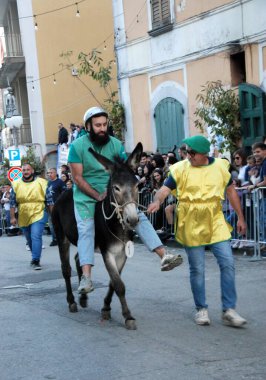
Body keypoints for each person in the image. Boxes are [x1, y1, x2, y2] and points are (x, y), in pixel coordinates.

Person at [68, 106, 183, 294]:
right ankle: (86, 278)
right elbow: (78, 178)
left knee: (137, 215)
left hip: (115, 189)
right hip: (87, 196)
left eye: (105, 124)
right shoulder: (76, 146)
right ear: (88, 126)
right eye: (98, 125)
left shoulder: (115, 144)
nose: (102, 128)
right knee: (86, 230)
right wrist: (97, 195)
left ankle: (164, 255)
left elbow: (124, 169)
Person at [147, 135, 247, 327]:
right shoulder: (180, 169)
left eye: (192, 153)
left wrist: (241, 217)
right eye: (187, 151)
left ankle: (229, 310)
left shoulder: (220, 166)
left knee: (228, 262)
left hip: (215, 219)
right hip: (191, 220)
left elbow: (231, 192)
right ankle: (201, 309)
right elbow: (165, 189)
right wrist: (156, 201)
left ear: (204, 154)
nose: (189, 156)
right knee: (197, 269)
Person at [10, 163, 53, 270]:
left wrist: (53, 215)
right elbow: (12, 203)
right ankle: (34, 256)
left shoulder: (42, 183)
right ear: (22, 172)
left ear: (32, 171)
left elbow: (50, 201)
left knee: (35, 235)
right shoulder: (15, 184)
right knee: (29, 238)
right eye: (24, 170)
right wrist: (12, 217)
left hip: (39, 211)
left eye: (28, 170)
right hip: (23, 213)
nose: (26, 172)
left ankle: (36, 260)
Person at [47, 168, 66, 246]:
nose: (49, 174)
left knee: (61, 223)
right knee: (51, 223)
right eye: (48, 173)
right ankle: (55, 239)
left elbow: (64, 193)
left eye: (51, 172)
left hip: (59, 207)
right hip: (49, 207)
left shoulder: (60, 182)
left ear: (55, 173)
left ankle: (63, 238)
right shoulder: (48, 183)